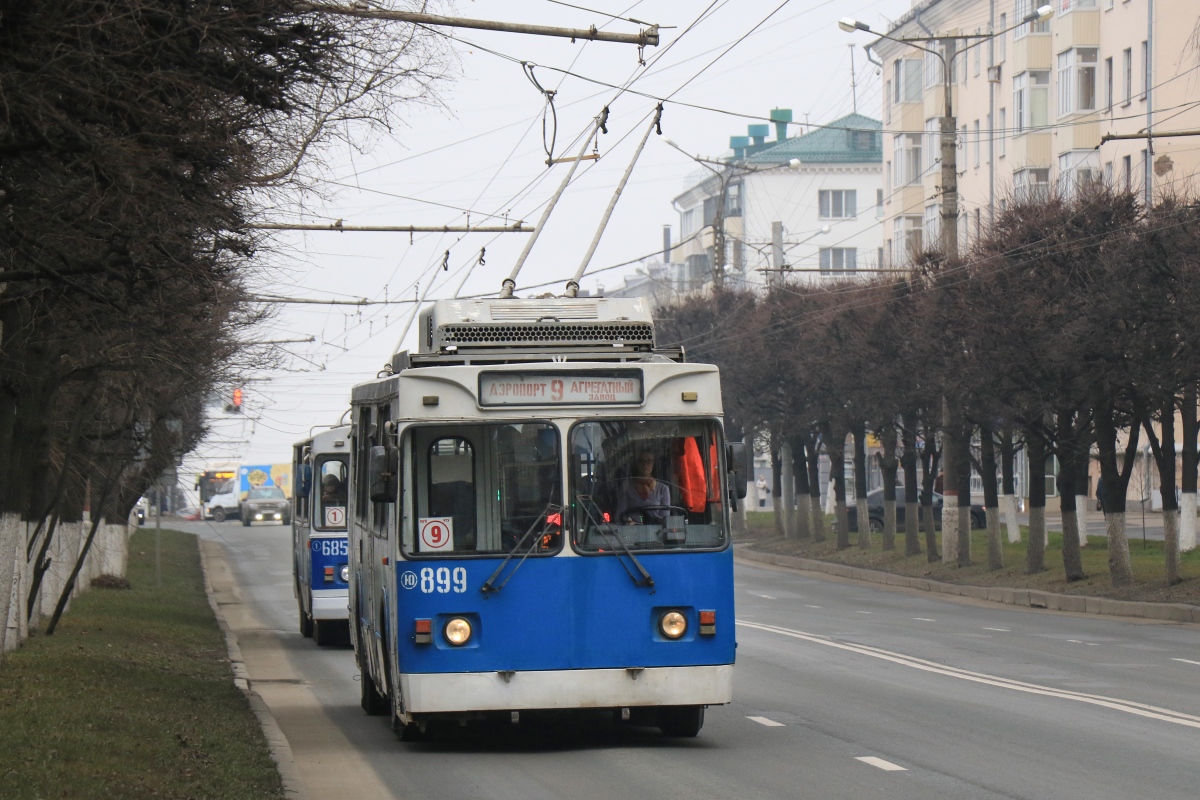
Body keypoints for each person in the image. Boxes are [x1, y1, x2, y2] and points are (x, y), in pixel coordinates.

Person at [614, 450, 671, 524]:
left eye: (649, 461)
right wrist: (628, 521)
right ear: (636, 464)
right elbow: (619, 516)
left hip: (656, 532)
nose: (645, 465)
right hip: (632, 531)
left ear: (654, 464)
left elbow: (666, 519)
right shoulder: (626, 488)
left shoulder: (663, 489)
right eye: (641, 461)